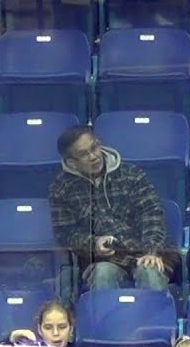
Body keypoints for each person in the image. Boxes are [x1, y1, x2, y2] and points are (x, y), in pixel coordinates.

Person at [49, 124, 177, 292]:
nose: (94, 156)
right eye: (84, 154)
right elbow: (66, 234)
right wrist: (93, 243)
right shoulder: (61, 189)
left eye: (94, 147)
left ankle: (155, 319)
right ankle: (107, 318)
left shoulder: (131, 174)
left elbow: (151, 214)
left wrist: (151, 251)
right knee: (103, 273)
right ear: (72, 163)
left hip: (144, 251)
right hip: (104, 260)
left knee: (149, 272)